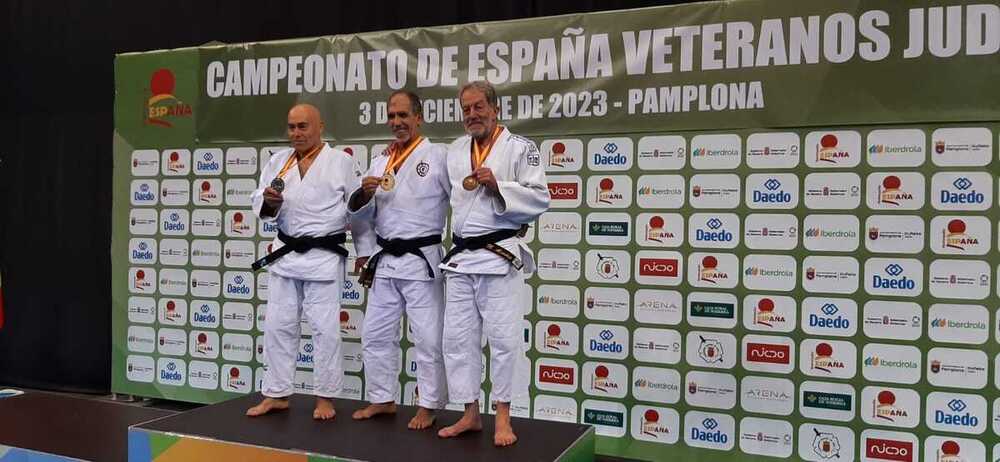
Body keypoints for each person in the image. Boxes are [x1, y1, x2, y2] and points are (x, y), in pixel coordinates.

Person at [436, 81, 549, 446]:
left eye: (478, 107)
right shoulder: (454, 152)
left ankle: (503, 416)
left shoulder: (520, 148)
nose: (472, 114)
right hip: (461, 260)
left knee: (504, 340)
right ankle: (469, 413)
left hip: (500, 258)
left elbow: (539, 197)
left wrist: (500, 185)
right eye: (466, 108)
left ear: (495, 108)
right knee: (457, 339)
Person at [245, 103, 373, 420]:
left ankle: (325, 397)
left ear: (320, 127)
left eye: (303, 126)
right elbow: (258, 201)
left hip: (323, 257)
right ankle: (276, 393)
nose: (297, 133)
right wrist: (268, 203)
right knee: (278, 327)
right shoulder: (278, 162)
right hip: (286, 254)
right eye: (292, 127)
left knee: (325, 330)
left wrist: (365, 251)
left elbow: (358, 212)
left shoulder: (341, 162)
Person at [347, 90, 450, 429]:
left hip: (422, 259)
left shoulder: (439, 156)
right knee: (375, 334)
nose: (397, 122)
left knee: (427, 338)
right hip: (386, 258)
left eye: (403, 116)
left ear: (418, 117)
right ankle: (382, 398)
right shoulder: (380, 162)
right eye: (392, 116)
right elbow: (364, 217)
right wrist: (363, 195)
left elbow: (462, 202)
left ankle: (429, 405)